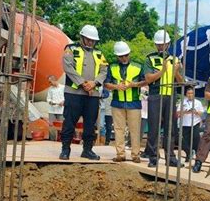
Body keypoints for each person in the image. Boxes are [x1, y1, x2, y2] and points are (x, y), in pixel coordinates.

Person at [59, 24, 108, 160]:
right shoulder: (71, 49)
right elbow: (67, 67)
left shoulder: (99, 54)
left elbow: (104, 71)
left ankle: (87, 150)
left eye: (93, 40)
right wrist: (82, 83)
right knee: (69, 122)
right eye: (88, 39)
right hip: (74, 93)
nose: (91, 42)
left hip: (92, 95)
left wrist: (94, 83)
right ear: (82, 37)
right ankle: (65, 149)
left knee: (90, 124)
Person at [143, 30, 184, 167]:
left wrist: (176, 71)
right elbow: (148, 79)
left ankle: (170, 157)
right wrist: (163, 71)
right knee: (154, 128)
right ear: (155, 44)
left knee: (171, 128)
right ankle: (153, 157)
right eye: (159, 44)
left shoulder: (175, 59)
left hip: (170, 95)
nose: (161, 47)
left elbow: (181, 82)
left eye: (164, 44)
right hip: (155, 95)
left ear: (168, 44)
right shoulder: (150, 58)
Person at [104, 41, 146, 163]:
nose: (124, 58)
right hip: (117, 102)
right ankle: (120, 154)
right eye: (121, 56)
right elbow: (106, 83)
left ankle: (135, 155)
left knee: (135, 130)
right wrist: (117, 87)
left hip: (134, 102)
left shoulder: (138, 66)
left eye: (126, 55)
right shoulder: (112, 67)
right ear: (117, 56)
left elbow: (145, 81)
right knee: (118, 129)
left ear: (129, 54)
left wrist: (134, 84)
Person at [177, 86, 204, 162]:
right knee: (185, 140)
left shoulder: (198, 102)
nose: (190, 95)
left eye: (191, 93)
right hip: (185, 123)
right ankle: (188, 153)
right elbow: (178, 112)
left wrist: (195, 111)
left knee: (196, 137)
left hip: (195, 122)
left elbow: (201, 113)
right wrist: (185, 111)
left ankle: (197, 154)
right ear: (186, 94)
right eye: (188, 93)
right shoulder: (182, 102)